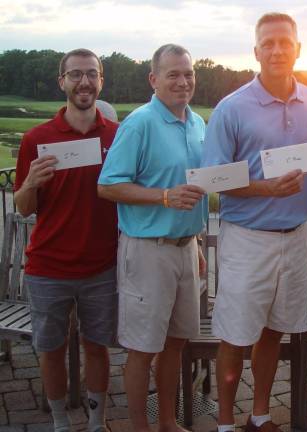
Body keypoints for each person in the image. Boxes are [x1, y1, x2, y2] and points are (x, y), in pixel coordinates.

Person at [202, 12, 307, 432]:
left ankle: (258, 416)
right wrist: (265, 189)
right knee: (236, 336)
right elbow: (214, 180)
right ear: (256, 51)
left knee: (274, 330)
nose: (277, 51)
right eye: (268, 44)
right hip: (247, 238)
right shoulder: (231, 108)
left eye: (285, 43)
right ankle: (225, 423)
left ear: (297, 48)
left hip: (297, 237)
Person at [97, 44, 207, 432]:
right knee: (143, 348)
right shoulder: (139, 123)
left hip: (184, 249)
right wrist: (163, 196)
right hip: (147, 251)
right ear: (154, 79)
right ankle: (140, 426)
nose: (182, 81)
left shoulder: (197, 123)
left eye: (188, 74)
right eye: (173, 74)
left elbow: (196, 188)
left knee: (177, 342)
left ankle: (167, 422)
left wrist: (196, 240)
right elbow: (108, 186)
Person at [14, 48, 119, 432]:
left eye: (92, 74)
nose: (84, 82)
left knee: (97, 346)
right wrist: (28, 183)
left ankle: (96, 421)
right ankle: (60, 422)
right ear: (62, 82)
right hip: (48, 267)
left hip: (100, 266)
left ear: (101, 81)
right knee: (51, 349)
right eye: (75, 74)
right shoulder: (37, 139)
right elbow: (24, 207)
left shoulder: (116, 136)